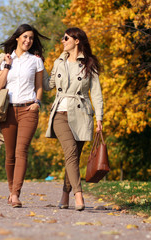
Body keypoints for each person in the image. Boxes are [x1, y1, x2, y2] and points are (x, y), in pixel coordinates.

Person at [43, 27, 103, 211]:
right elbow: (48, 85)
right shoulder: (58, 62)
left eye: (66, 38)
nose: (63, 41)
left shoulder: (89, 64)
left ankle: (64, 195)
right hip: (60, 114)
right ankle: (79, 196)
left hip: (82, 115)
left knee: (73, 159)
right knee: (70, 153)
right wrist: (39, 67)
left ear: (77, 41)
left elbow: (96, 93)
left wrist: (99, 118)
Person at [0, 24, 49, 208]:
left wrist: (37, 103)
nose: (28, 41)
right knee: (10, 154)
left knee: (21, 151)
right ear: (17, 37)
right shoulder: (6, 59)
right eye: (25, 37)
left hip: (28, 110)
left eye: (31, 38)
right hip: (8, 110)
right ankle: (11, 191)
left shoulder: (36, 61)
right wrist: (7, 66)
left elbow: (39, 86)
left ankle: (16, 194)